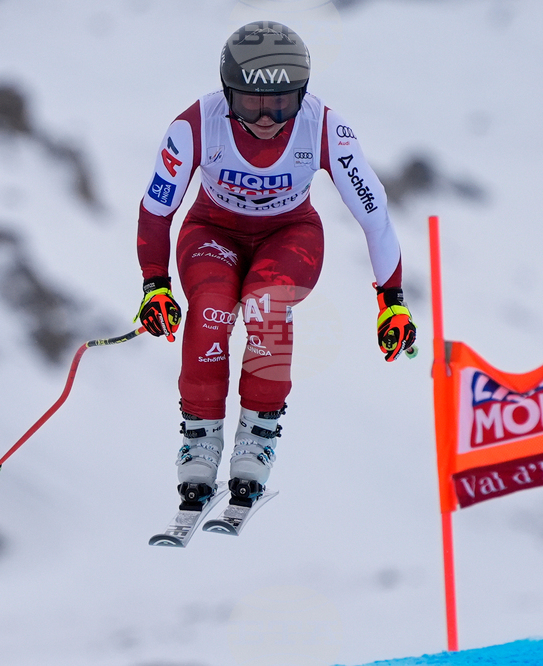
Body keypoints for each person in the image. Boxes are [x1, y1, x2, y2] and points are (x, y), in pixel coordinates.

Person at [134, 21, 416, 509]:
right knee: (210, 310)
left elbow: (375, 216)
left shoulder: (326, 126)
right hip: (212, 232)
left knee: (266, 306)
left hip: (290, 235)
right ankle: (200, 439)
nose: (266, 117)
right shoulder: (195, 124)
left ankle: (258, 435)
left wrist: (391, 301)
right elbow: (156, 210)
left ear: (302, 94)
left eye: (281, 103)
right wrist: (155, 285)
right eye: (250, 103)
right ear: (228, 93)